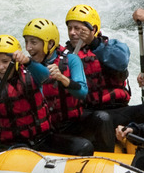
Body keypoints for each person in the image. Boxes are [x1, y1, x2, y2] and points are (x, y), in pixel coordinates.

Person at [0, 34, 93, 157]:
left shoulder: (32, 74)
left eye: (5, 62)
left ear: (15, 61)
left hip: (43, 139)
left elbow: (46, 75)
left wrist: (27, 61)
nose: (0, 67)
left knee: (84, 147)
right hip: (12, 145)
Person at [65, 4, 144, 139]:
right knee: (102, 118)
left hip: (117, 110)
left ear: (93, 29)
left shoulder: (113, 47)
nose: (72, 32)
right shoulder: (64, 56)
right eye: (70, 28)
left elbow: (120, 62)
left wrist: (93, 43)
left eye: (77, 28)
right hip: (88, 114)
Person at [21, 18, 95, 157]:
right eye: (26, 42)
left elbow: (82, 92)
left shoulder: (71, 60)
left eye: (33, 42)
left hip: (70, 124)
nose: (28, 48)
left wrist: (62, 78)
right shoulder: (26, 67)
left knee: (101, 118)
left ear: (50, 44)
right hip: (45, 133)